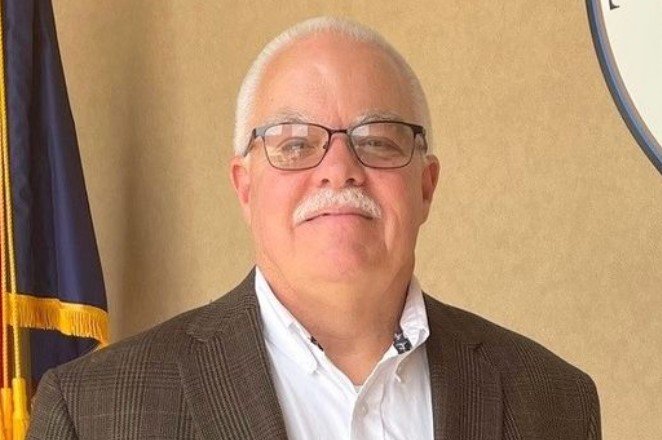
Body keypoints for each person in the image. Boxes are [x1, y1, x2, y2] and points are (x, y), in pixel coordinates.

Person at [27, 16, 601, 440]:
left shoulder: (554, 403)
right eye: (296, 144)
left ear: (425, 187)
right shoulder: (92, 413)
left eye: (378, 141)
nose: (338, 170)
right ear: (245, 187)